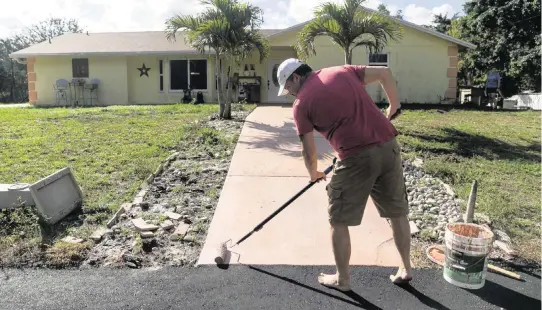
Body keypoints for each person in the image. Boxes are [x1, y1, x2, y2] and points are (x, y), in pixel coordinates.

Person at [276, 58, 412, 291]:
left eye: (288, 88)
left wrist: (314, 173)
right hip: (388, 146)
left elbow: (309, 151)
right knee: (397, 213)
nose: (289, 93)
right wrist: (394, 104)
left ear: (296, 77)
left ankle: (343, 279)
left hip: (356, 158)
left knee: (338, 219)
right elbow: (385, 73)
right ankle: (406, 268)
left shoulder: (301, 104)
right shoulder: (341, 71)